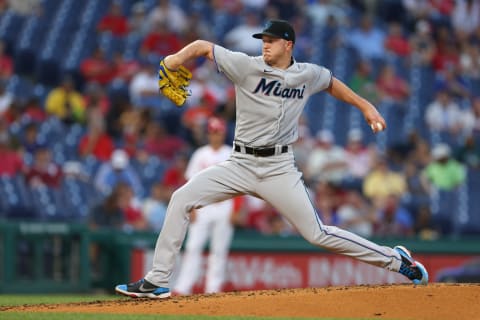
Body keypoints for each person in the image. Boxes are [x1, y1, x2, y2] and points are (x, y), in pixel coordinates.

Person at [115, 19, 428, 299]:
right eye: (262, 39)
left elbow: (331, 83)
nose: (264, 44)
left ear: (288, 44)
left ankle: (397, 260)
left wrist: (366, 107)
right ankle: (156, 281)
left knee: (317, 233)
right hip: (239, 164)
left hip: (279, 168)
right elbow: (201, 47)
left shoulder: (306, 74)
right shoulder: (246, 66)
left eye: (270, 40)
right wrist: (173, 60)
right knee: (181, 198)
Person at [173, 117, 235, 295]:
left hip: (225, 205)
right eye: (213, 132)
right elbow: (189, 183)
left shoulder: (231, 153)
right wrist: (190, 207)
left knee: (219, 250)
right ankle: (183, 287)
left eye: (219, 132)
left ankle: (213, 289)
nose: (216, 136)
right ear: (209, 134)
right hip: (202, 207)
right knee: (193, 247)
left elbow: (241, 184)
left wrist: (237, 208)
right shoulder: (200, 154)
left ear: (223, 133)